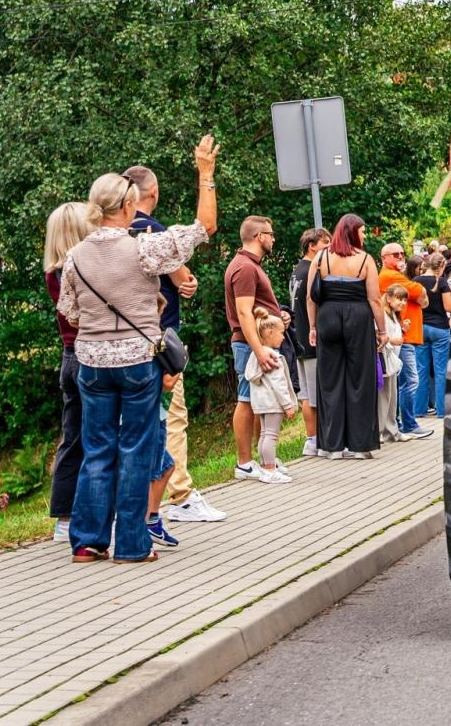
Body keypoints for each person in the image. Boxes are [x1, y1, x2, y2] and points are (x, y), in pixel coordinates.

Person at [56, 135, 217, 563]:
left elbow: (70, 313)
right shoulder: (144, 247)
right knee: (135, 449)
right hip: (137, 363)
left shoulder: (73, 256)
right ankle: (131, 543)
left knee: (96, 448)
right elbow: (204, 229)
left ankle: (88, 542)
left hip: (91, 363)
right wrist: (205, 174)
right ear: (129, 207)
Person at [123, 165, 225, 525]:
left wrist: (182, 279)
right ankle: (179, 495)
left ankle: (130, 504)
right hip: (159, 343)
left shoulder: (108, 232)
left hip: (113, 348)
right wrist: (205, 172)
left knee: (127, 428)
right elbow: (186, 269)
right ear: (153, 193)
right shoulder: (151, 230)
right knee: (172, 419)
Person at [308, 214, 383, 458]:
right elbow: (374, 299)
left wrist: (312, 327)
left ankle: (332, 446)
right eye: (361, 231)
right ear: (352, 232)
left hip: (328, 316)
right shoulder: (365, 260)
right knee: (360, 379)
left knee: (330, 380)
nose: (364, 235)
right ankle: (360, 446)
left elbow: (311, 297)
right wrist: (382, 330)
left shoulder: (320, 257)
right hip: (358, 318)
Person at [44, 202, 95, 542]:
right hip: (90, 354)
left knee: (73, 438)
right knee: (100, 438)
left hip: (69, 355)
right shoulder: (83, 269)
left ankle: (64, 517)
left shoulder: (54, 272)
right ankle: (96, 512)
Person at [224, 216, 288, 481]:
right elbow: (243, 311)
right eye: (270, 234)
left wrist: (277, 318)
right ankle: (244, 463)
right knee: (246, 399)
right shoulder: (245, 268)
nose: (273, 239)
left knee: (259, 400)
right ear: (259, 236)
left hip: (258, 342)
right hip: (250, 344)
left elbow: (257, 309)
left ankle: (264, 459)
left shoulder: (251, 265)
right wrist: (259, 350)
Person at [377, 244, 433, 440]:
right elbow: (418, 291)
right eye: (395, 254)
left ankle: (398, 424)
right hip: (402, 340)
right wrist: (419, 297)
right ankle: (407, 423)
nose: (401, 257)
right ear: (384, 257)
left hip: (405, 335)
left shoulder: (396, 276)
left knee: (402, 382)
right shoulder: (389, 276)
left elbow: (423, 296)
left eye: (402, 253)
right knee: (410, 380)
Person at [243, 307, 299, 481]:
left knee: (264, 434)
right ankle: (269, 470)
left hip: (260, 403)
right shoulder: (272, 357)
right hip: (273, 402)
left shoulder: (256, 354)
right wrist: (288, 405)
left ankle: (265, 465)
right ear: (269, 332)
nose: (283, 337)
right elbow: (279, 384)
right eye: (281, 333)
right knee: (271, 436)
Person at [288, 227, 330, 456]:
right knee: (316, 395)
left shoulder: (297, 269)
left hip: (299, 338)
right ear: (312, 245)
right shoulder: (312, 270)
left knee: (306, 394)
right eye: (325, 244)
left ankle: (311, 438)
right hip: (312, 339)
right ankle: (318, 440)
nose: (329, 249)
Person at [415, 252, 451, 418]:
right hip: (439, 328)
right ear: (441, 266)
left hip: (420, 327)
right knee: (440, 371)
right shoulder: (443, 282)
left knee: (421, 370)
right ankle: (441, 411)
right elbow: (448, 307)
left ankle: (419, 410)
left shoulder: (416, 281)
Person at [377, 284, 414, 443]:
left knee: (392, 396)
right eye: (399, 299)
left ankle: (391, 430)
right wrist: (394, 340)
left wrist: (403, 330)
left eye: (404, 299)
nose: (403, 303)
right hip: (385, 358)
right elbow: (379, 334)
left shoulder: (393, 314)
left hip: (392, 359)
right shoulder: (382, 314)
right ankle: (379, 431)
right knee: (384, 396)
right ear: (389, 297)